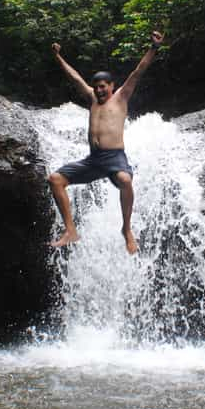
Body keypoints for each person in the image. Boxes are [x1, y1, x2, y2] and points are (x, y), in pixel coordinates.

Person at [47, 31, 165, 254]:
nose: (100, 90)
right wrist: (58, 57)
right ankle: (70, 231)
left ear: (112, 86)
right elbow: (75, 78)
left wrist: (154, 47)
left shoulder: (121, 97)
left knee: (125, 180)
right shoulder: (92, 98)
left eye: (104, 86)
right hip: (94, 160)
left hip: (115, 158)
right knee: (55, 179)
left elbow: (138, 72)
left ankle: (127, 229)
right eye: (97, 87)